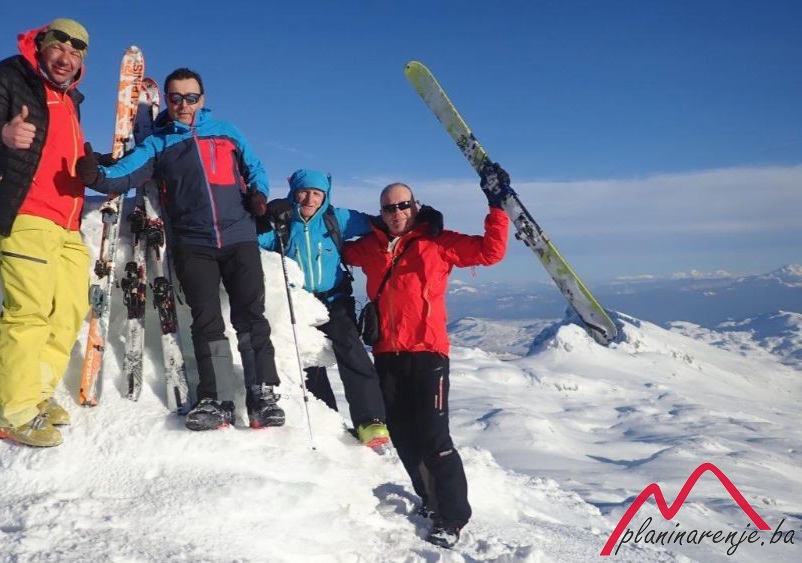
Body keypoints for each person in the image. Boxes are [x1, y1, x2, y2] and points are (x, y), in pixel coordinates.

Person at [77, 68, 284, 432]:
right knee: (206, 322)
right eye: (175, 98)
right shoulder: (159, 143)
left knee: (252, 317)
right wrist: (96, 177)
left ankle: (262, 395)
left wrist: (260, 194)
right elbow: (127, 171)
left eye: (191, 97)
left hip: (240, 238)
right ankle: (217, 400)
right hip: (193, 244)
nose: (183, 105)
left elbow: (255, 167)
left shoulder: (227, 131)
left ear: (202, 99)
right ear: (168, 101)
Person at [341, 167, 511, 548]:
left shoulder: (438, 242)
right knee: (402, 436)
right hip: (386, 354)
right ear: (381, 213)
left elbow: (491, 251)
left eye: (403, 205)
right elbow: (335, 250)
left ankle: (452, 517)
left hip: (428, 354)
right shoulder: (369, 247)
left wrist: (497, 207)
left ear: (415, 206)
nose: (396, 213)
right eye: (389, 208)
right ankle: (430, 502)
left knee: (434, 438)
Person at [0, 18, 92, 448]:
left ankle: (35, 395)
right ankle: (10, 414)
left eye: (75, 52)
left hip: (67, 223)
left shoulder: (70, 101)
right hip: (26, 213)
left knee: (69, 310)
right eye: (59, 48)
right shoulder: (7, 78)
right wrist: (2, 133)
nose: (66, 58)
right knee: (28, 312)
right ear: (41, 46)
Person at [259, 169, 442, 449]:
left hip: (335, 299)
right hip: (298, 303)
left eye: (317, 193)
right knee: (308, 359)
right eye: (304, 192)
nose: (310, 199)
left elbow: (382, 223)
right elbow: (250, 240)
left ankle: (370, 421)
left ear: (326, 196)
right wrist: (263, 218)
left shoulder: (338, 218)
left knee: (351, 350)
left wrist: (423, 218)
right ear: (293, 192)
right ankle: (326, 420)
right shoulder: (281, 222)